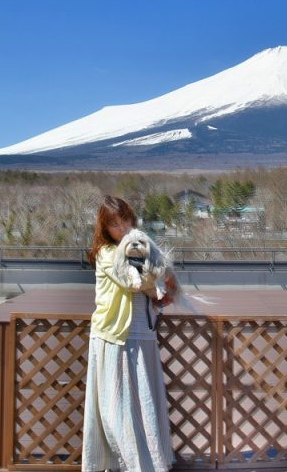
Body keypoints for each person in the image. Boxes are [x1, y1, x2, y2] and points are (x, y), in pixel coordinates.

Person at [82, 195, 177, 472]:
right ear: (104, 227)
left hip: (141, 331)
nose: (122, 228)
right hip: (114, 334)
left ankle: (145, 463)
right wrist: (164, 274)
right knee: (117, 407)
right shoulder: (107, 253)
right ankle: (127, 464)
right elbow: (133, 280)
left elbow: (147, 282)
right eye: (114, 223)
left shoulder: (134, 247)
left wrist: (159, 297)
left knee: (142, 404)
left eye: (125, 221)